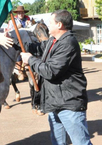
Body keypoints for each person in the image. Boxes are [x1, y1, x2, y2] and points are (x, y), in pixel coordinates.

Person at [21, 10, 92, 145]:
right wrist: (13, 40)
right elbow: (36, 48)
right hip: (55, 102)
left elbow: (50, 71)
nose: (48, 25)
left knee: (81, 143)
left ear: (59, 25)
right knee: (58, 143)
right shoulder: (53, 40)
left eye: (50, 22)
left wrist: (30, 60)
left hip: (69, 104)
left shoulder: (68, 43)